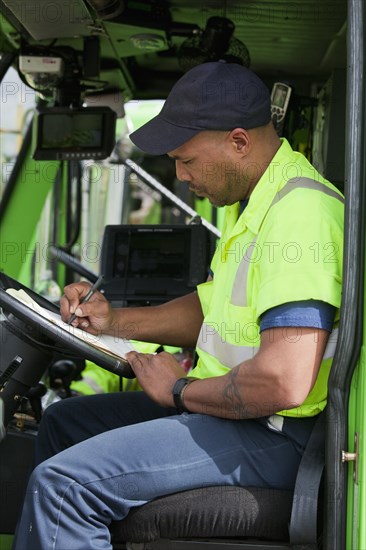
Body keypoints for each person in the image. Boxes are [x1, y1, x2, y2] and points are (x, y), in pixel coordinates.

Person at [13, 61, 344, 550]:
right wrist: (111, 319)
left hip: (279, 434)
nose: (180, 175)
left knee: (64, 487)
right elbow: (212, 312)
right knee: (66, 423)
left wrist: (180, 390)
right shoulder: (253, 202)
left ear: (238, 141)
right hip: (235, 414)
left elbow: (283, 380)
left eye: (186, 160)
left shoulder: (301, 215)